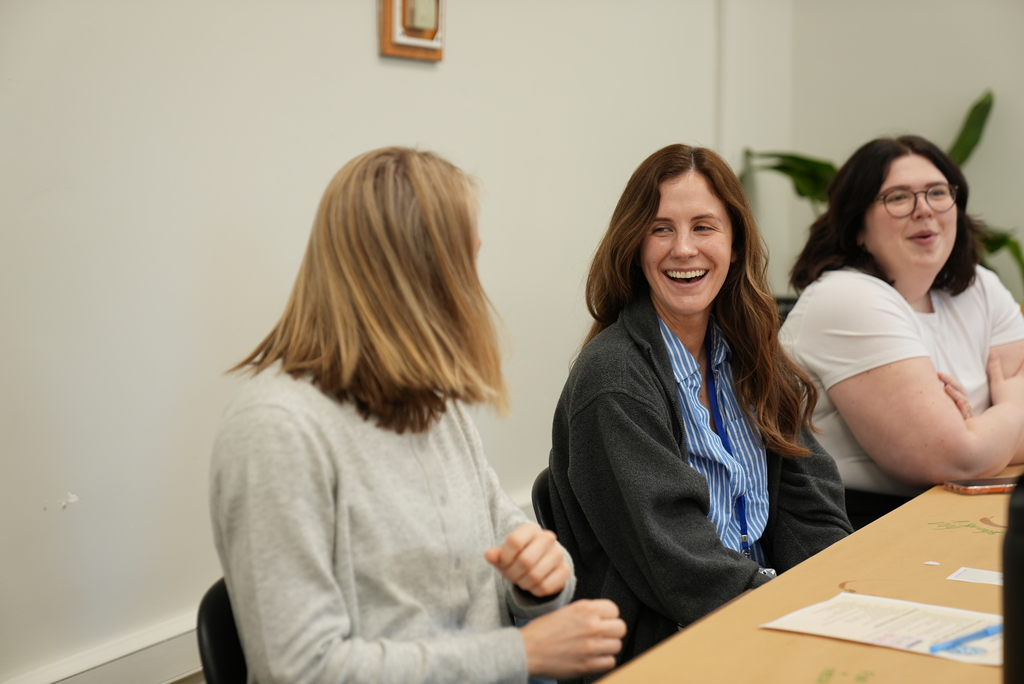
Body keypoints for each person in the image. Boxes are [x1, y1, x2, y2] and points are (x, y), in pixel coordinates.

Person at [209, 147, 626, 684]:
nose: (475, 288)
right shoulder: (274, 430)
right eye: (466, 264)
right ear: (414, 276)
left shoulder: (434, 404)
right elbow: (302, 672)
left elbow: (510, 554)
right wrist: (521, 652)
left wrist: (538, 578)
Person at [548, 143, 851, 676]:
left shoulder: (749, 353)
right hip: (673, 646)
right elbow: (677, 559)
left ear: (735, 245)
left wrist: (834, 599)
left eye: (704, 227)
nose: (683, 249)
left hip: (767, 618)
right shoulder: (614, 378)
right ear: (634, 246)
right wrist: (785, 614)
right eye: (661, 229)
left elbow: (813, 505)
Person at [781, 135, 1024, 529]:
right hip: (853, 524)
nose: (924, 209)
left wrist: (976, 432)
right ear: (857, 227)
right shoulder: (847, 297)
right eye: (898, 197)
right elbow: (955, 460)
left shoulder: (981, 287)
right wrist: (1011, 406)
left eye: (937, 192)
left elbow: (969, 456)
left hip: (957, 510)